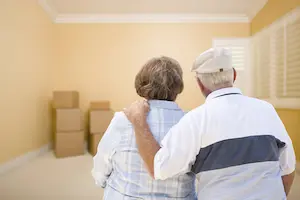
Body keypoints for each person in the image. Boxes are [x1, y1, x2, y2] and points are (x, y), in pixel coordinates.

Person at [124, 48, 296, 200]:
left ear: (199, 84)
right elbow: (288, 169)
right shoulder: (266, 110)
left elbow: (158, 168)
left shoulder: (195, 120)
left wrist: (139, 121)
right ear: (234, 75)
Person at [92, 56, 197, 199]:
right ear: (178, 86)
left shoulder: (123, 119)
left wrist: (103, 183)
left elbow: (102, 166)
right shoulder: (192, 123)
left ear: (143, 84)